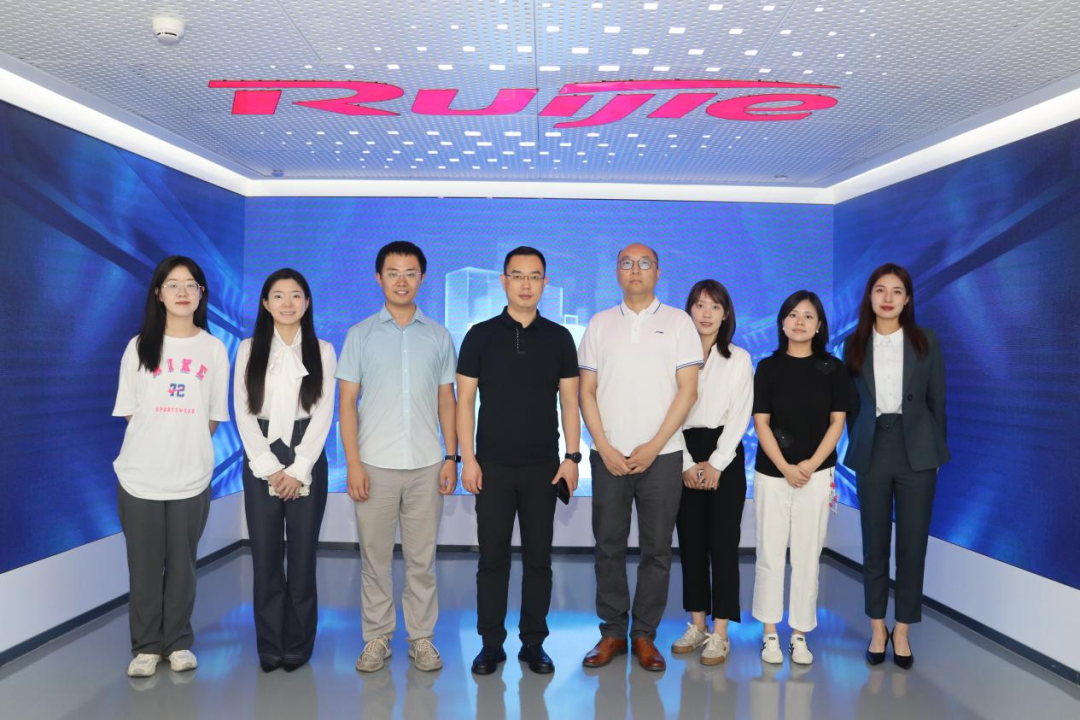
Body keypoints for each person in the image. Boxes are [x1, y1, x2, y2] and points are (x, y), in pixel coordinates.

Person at [456, 246, 581, 676]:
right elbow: (464, 401)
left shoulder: (560, 338)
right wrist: (468, 460)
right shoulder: (479, 335)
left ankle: (533, 643)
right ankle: (490, 644)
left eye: (534, 276)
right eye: (517, 275)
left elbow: (570, 402)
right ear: (503, 281)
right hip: (491, 466)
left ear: (545, 282)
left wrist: (572, 457)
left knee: (538, 560)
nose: (526, 284)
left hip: (543, 467)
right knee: (491, 559)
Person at [578, 243, 702, 672]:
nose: (636, 270)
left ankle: (644, 634)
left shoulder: (679, 322)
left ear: (657, 271)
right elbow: (586, 392)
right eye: (627, 264)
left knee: (657, 551)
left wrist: (653, 445)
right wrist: (603, 446)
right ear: (617, 272)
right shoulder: (599, 324)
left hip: (662, 456)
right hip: (608, 456)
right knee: (607, 547)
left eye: (645, 263)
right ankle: (612, 632)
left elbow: (688, 391)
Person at [337, 241, 459, 673]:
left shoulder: (439, 335)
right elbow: (346, 403)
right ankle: (377, 637)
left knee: (422, 560)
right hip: (374, 465)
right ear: (379, 278)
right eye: (393, 272)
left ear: (422, 278)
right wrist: (353, 463)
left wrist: (451, 457)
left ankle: (421, 638)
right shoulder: (360, 335)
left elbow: (447, 400)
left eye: (410, 273)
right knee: (374, 560)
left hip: (427, 464)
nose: (401, 281)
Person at [112, 256, 230, 678]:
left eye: (190, 284)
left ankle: (177, 642)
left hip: (191, 475)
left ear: (201, 293)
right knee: (144, 566)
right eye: (173, 284)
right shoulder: (138, 345)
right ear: (158, 293)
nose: (182, 292)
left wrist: (183, 441)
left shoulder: (214, 349)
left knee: (183, 565)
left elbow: (213, 416)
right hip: (140, 475)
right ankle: (146, 647)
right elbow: (131, 411)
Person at [843, 263, 949, 670]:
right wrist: (861, 442)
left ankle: (902, 629)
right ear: (870, 297)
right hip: (873, 448)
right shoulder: (853, 344)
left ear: (907, 300)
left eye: (897, 291)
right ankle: (877, 627)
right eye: (880, 290)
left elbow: (937, 401)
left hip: (918, 450)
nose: (888, 298)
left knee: (912, 544)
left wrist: (935, 453)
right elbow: (852, 407)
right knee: (873, 543)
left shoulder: (926, 340)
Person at [234, 268, 337, 672]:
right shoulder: (248, 349)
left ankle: (298, 641)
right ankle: (269, 642)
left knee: (302, 555)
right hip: (260, 452)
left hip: (306, 451)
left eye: (296, 295)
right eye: (278, 295)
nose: (287, 303)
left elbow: (324, 414)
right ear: (265, 303)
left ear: (307, 303)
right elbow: (243, 411)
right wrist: (268, 467)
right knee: (264, 555)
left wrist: (298, 469)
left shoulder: (323, 350)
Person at [751, 290, 847, 666]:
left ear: (819, 325)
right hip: (772, 474)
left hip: (816, 475)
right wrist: (786, 467)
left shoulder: (833, 368)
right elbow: (761, 423)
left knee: (808, 555)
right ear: (782, 322)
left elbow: (837, 422)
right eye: (792, 315)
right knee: (770, 552)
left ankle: (800, 634)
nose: (800, 322)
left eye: (808, 316)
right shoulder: (768, 367)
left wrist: (809, 465)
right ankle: (770, 633)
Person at [671, 280, 753, 665]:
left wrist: (717, 462)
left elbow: (740, 413)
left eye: (714, 307)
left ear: (725, 314)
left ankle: (720, 632)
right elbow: (667, 410)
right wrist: (687, 463)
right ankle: (697, 625)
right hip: (682, 448)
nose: (706, 314)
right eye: (699, 305)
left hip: (726, 453)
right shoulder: (673, 356)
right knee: (690, 543)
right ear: (689, 310)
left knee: (722, 544)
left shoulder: (739, 358)